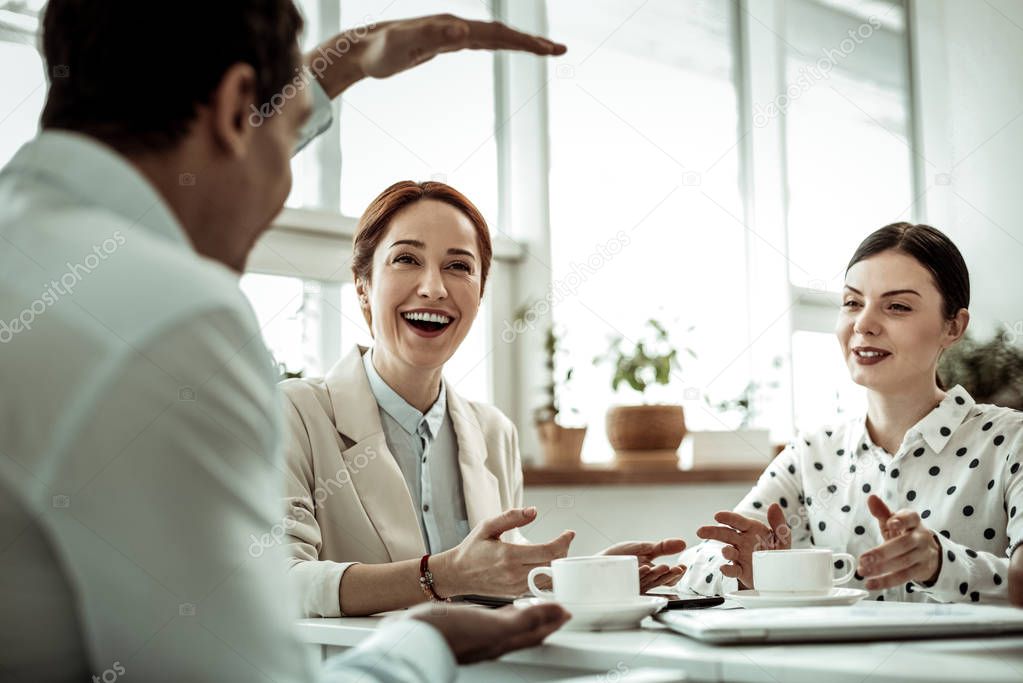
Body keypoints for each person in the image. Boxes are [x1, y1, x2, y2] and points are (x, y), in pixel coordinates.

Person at [0, 1, 573, 681]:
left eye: (459, 264)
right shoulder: (172, 320)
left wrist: (349, 60)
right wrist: (427, 641)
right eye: (286, 133)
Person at [280, 179, 688, 617]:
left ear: (479, 292)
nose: (434, 287)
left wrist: (586, 579)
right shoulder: (295, 414)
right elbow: (280, 582)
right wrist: (444, 575)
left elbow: (501, 580)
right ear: (362, 284)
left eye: (459, 266)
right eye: (406, 259)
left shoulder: (493, 432)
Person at [679, 223, 1023, 603]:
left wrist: (941, 564)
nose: (864, 324)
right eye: (852, 302)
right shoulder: (812, 453)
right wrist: (746, 568)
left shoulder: (1011, 443)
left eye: (897, 306)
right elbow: (701, 562)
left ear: (953, 327)